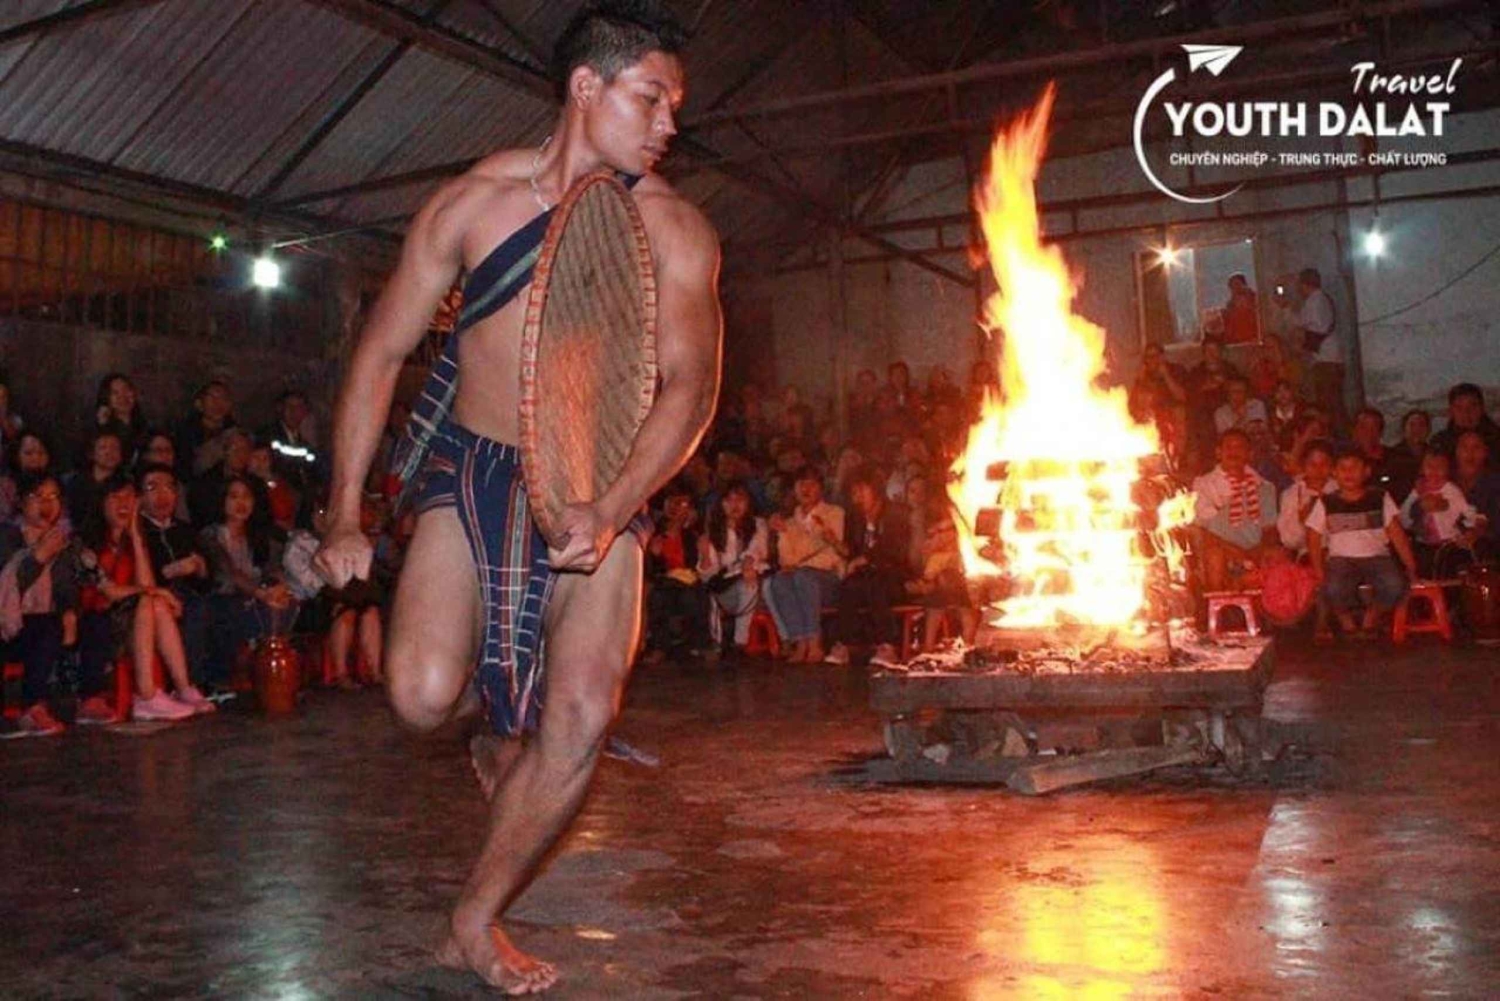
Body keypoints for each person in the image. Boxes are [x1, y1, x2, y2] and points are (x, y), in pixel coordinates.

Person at [313, 3, 721, 992]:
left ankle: (473, 918)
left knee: (580, 710)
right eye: (651, 98)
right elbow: (381, 353)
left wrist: (615, 506)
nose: (669, 123)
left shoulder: (674, 230)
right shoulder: (473, 203)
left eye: (674, 104)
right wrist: (344, 510)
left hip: (603, 484)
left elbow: (692, 387)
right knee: (420, 695)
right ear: (586, 87)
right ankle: (494, 725)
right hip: (474, 467)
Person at [77, 475, 209, 721]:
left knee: (154, 603)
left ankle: (183, 688)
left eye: (129, 497)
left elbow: (146, 584)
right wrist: (159, 592)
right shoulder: (86, 546)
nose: (124, 504)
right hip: (97, 622)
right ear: (101, 503)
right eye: (116, 497)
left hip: (132, 620)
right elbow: (110, 591)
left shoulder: (132, 540)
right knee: (152, 600)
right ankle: (147, 695)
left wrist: (136, 538)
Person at [0, 474, 83, 737]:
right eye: (37, 496)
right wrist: (38, 557)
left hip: (36, 624)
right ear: (21, 503)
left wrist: (69, 611)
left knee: (51, 625)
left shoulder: (63, 541)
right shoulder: (8, 537)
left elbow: (68, 587)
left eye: (53, 496)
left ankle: (34, 707)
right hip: (6, 620)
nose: (46, 503)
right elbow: (8, 588)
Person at [1306, 448, 1418, 640]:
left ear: (1366, 471)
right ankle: (1345, 620)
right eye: (1343, 468)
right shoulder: (1326, 502)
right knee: (1333, 587)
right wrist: (1318, 569)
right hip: (1341, 559)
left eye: (1354, 468)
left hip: (1377, 557)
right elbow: (1313, 536)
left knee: (1395, 585)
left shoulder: (1379, 497)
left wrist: (1411, 565)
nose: (1348, 473)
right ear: (1334, 472)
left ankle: (1372, 616)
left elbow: (1396, 533)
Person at [200, 476, 295, 687]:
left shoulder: (260, 534)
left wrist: (279, 587)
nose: (241, 503)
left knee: (284, 603)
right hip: (222, 597)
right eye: (234, 497)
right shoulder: (211, 535)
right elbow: (228, 572)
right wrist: (261, 593)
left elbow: (272, 568)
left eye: (246, 496)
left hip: (257, 595)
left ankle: (273, 675)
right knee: (244, 608)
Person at [824, 465, 912, 668]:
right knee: (849, 586)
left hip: (893, 575)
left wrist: (866, 559)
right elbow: (854, 552)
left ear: (875, 489)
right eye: (854, 492)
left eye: (861, 490)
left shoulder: (895, 514)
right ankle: (845, 644)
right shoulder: (856, 518)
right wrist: (836, 544)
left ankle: (887, 645)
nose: (857, 496)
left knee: (875, 584)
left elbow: (895, 550)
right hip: (865, 576)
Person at [136, 463, 212, 682]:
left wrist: (200, 569)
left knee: (205, 607)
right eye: (152, 487)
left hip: (189, 595)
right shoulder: (137, 530)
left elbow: (207, 582)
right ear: (140, 496)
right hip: (153, 596)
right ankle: (186, 682)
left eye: (169, 487)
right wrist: (167, 573)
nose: (162, 495)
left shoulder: (185, 530)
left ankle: (199, 681)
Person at [763, 466, 844, 664]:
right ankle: (800, 641)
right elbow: (786, 561)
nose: (806, 489)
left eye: (811, 484)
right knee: (780, 580)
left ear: (821, 488)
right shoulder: (791, 522)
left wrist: (802, 565)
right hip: (801, 577)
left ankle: (815, 642)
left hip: (828, 578)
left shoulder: (834, 513)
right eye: (801, 484)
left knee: (803, 577)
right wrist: (782, 533)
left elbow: (831, 555)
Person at [1191, 429, 1280, 592]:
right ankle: (1221, 605)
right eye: (1229, 447)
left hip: (1255, 551)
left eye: (1240, 447)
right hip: (1222, 550)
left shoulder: (1264, 487)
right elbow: (1202, 530)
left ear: (1250, 454)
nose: (1234, 452)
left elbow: (1270, 529)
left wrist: (1257, 551)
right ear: (1219, 453)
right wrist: (1236, 552)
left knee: (1277, 555)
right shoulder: (1204, 484)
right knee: (1214, 556)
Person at [696, 481, 768, 651]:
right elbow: (708, 577)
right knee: (710, 592)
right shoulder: (713, 531)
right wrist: (705, 555)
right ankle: (716, 641)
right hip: (725, 589)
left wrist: (748, 562)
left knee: (749, 583)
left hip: (753, 586)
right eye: (729, 500)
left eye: (740, 500)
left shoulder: (758, 524)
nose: (735, 505)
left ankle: (740, 640)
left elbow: (759, 549)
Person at [643, 482, 707, 659]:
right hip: (663, 583)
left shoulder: (692, 535)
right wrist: (655, 556)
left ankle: (699, 644)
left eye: (681, 504)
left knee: (693, 595)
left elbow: (696, 566)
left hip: (687, 583)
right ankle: (659, 647)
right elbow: (651, 570)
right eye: (672, 502)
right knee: (658, 596)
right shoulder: (653, 532)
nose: (675, 508)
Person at [1399, 451, 1479, 579]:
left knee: (1446, 575)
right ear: (1422, 469)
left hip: (1448, 543)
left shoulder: (1451, 490)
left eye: (1440, 466)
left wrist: (1470, 527)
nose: (1434, 470)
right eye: (1429, 466)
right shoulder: (1418, 490)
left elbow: (1467, 512)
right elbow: (1404, 515)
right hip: (1423, 543)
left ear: (1448, 470)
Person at [1296, 267, 1344, 432]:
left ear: (1304, 284)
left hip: (1326, 360)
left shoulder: (1316, 301)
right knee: (1330, 403)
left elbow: (1318, 329)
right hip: (1326, 359)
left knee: (1329, 405)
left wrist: (1304, 344)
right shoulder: (1319, 299)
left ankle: (1334, 434)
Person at [1277, 439, 1336, 558]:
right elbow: (1288, 541)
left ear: (1332, 466)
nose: (1318, 470)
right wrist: (1303, 524)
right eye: (1312, 464)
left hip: (1338, 554)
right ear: (1303, 465)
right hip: (1306, 555)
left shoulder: (1339, 490)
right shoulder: (1291, 494)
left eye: (1324, 464)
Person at [175, 379, 237, 479]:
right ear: (199, 403)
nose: (218, 403)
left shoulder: (235, 434)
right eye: (212, 398)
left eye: (223, 398)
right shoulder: (185, 434)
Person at [1453, 430, 1500, 560]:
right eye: (1464, 447)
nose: (1470, 453)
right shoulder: (1441, 480)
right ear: (1457, 452)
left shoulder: (1495, 483)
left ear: (1485, 452)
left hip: (1488, 554)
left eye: (1476, 447)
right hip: (1444, 551)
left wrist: (1480, 532)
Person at [64, 429, 125, 529]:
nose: (109, 452)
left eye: (115, 448)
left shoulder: (125, 485)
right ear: (92, 453)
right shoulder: (75, 482)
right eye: (103, 447)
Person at [1430, 383, 1500, 466]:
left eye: (1473, 406)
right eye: (1459, 407)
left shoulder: (1497, 440)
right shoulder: (1440, 443)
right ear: (1451, 411)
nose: (1466, 412)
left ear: (1482, 409)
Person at [92, 373, 148, 465]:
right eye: (115, 393)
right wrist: (102, 426)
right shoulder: (99, 427)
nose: (122, 396)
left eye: (126, 390)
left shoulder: (146, 427)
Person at [1386, 409, 1432, 504]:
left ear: (1428, 430)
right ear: (1404, 428)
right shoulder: (1393, 454)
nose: (1417, 429)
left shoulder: (1434, 453)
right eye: (1412, 425)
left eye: (1421, 425)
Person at [1223, 273, 1259, 345]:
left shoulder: (1254, 298)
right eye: (1231, 286)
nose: (1235, 287)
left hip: (1253, 337)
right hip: (1236, 339)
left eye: (1237, 284)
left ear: (1244, 284)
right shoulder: (1230, 304)